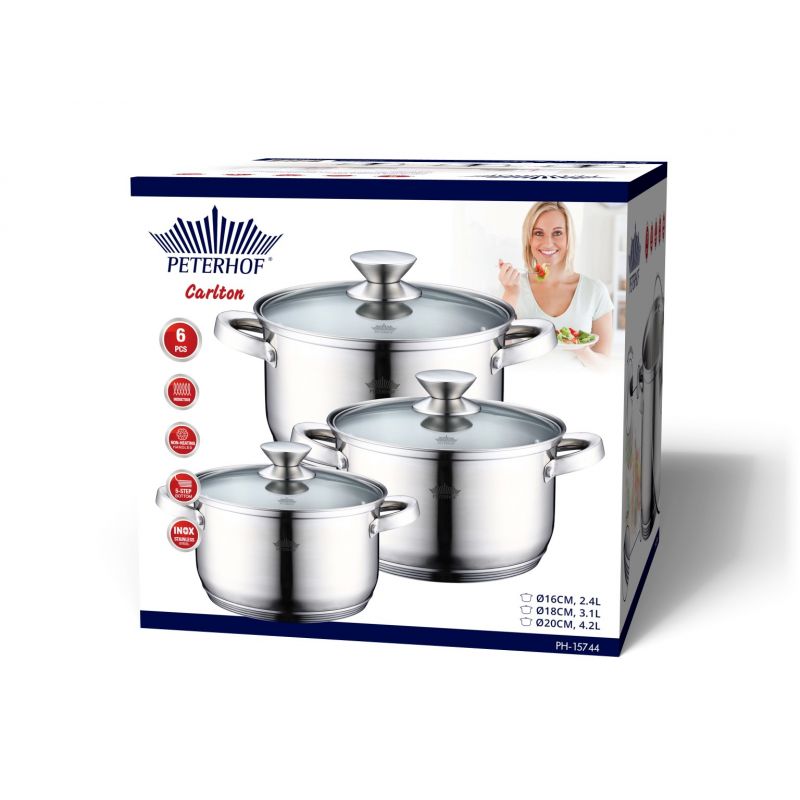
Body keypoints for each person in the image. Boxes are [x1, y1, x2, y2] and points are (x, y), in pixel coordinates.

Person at [498, 201, 613, 366]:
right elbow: (498, 353)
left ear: (568, 238)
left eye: (557, 233)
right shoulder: (512, 286)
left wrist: (582, 350)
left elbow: (605, 367)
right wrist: (511, 294)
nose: (548, 243)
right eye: (538, 233)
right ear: (529, 239)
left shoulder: (595, 291)